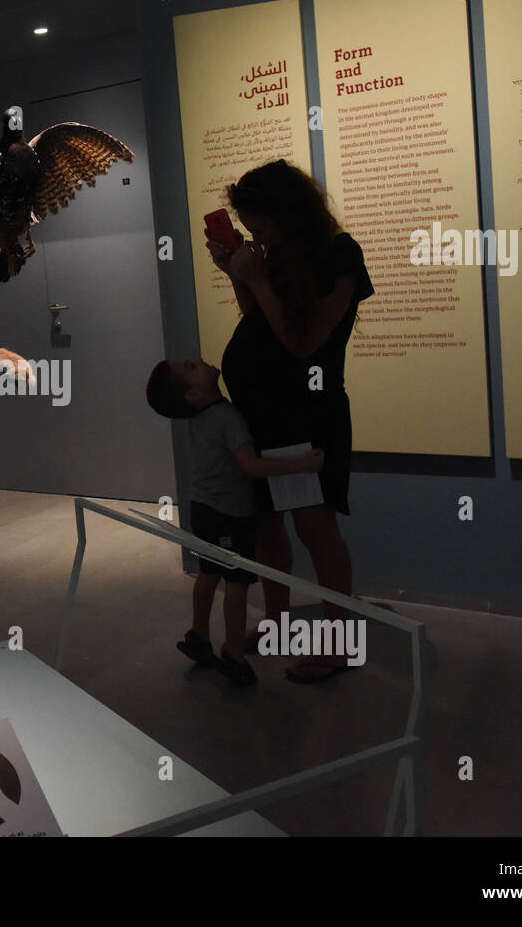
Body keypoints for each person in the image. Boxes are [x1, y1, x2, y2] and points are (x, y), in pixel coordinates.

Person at [206, 159, 374, 682]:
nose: (253, 228)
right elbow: (261, 321)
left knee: (313, 524)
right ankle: (277, 621)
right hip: (260, 412)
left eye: (259, 218)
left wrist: (256, 276)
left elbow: (304, 343)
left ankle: (339, 641)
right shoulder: (275, 255)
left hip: (307, 412)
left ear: (286, 210)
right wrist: (241, 276)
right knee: (267, 525)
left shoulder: (339, 255)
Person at [147, 358, 324, 686]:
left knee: (209, 572)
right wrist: (301, 466)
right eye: (190, 367)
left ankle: (199, 635)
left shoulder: (200, 419)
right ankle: (234, 654)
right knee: (237, 583)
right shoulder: (228, 418)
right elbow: (251, 466)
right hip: (230, 515)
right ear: (194, 393)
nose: (197, 361)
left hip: (202, 509)